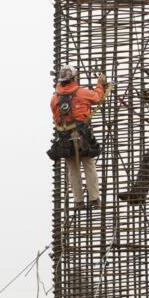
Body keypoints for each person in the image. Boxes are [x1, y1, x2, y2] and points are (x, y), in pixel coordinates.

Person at [46, 65, 109, 210]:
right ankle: (94, 200)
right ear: (74, 78)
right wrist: (100, 84)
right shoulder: (82, 93)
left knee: (72, 170)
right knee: (89, 166)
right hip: (82, 137)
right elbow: (98, 98)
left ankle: (79, 202)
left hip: (64, 139)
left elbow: (56, 118)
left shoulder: (54, 99)